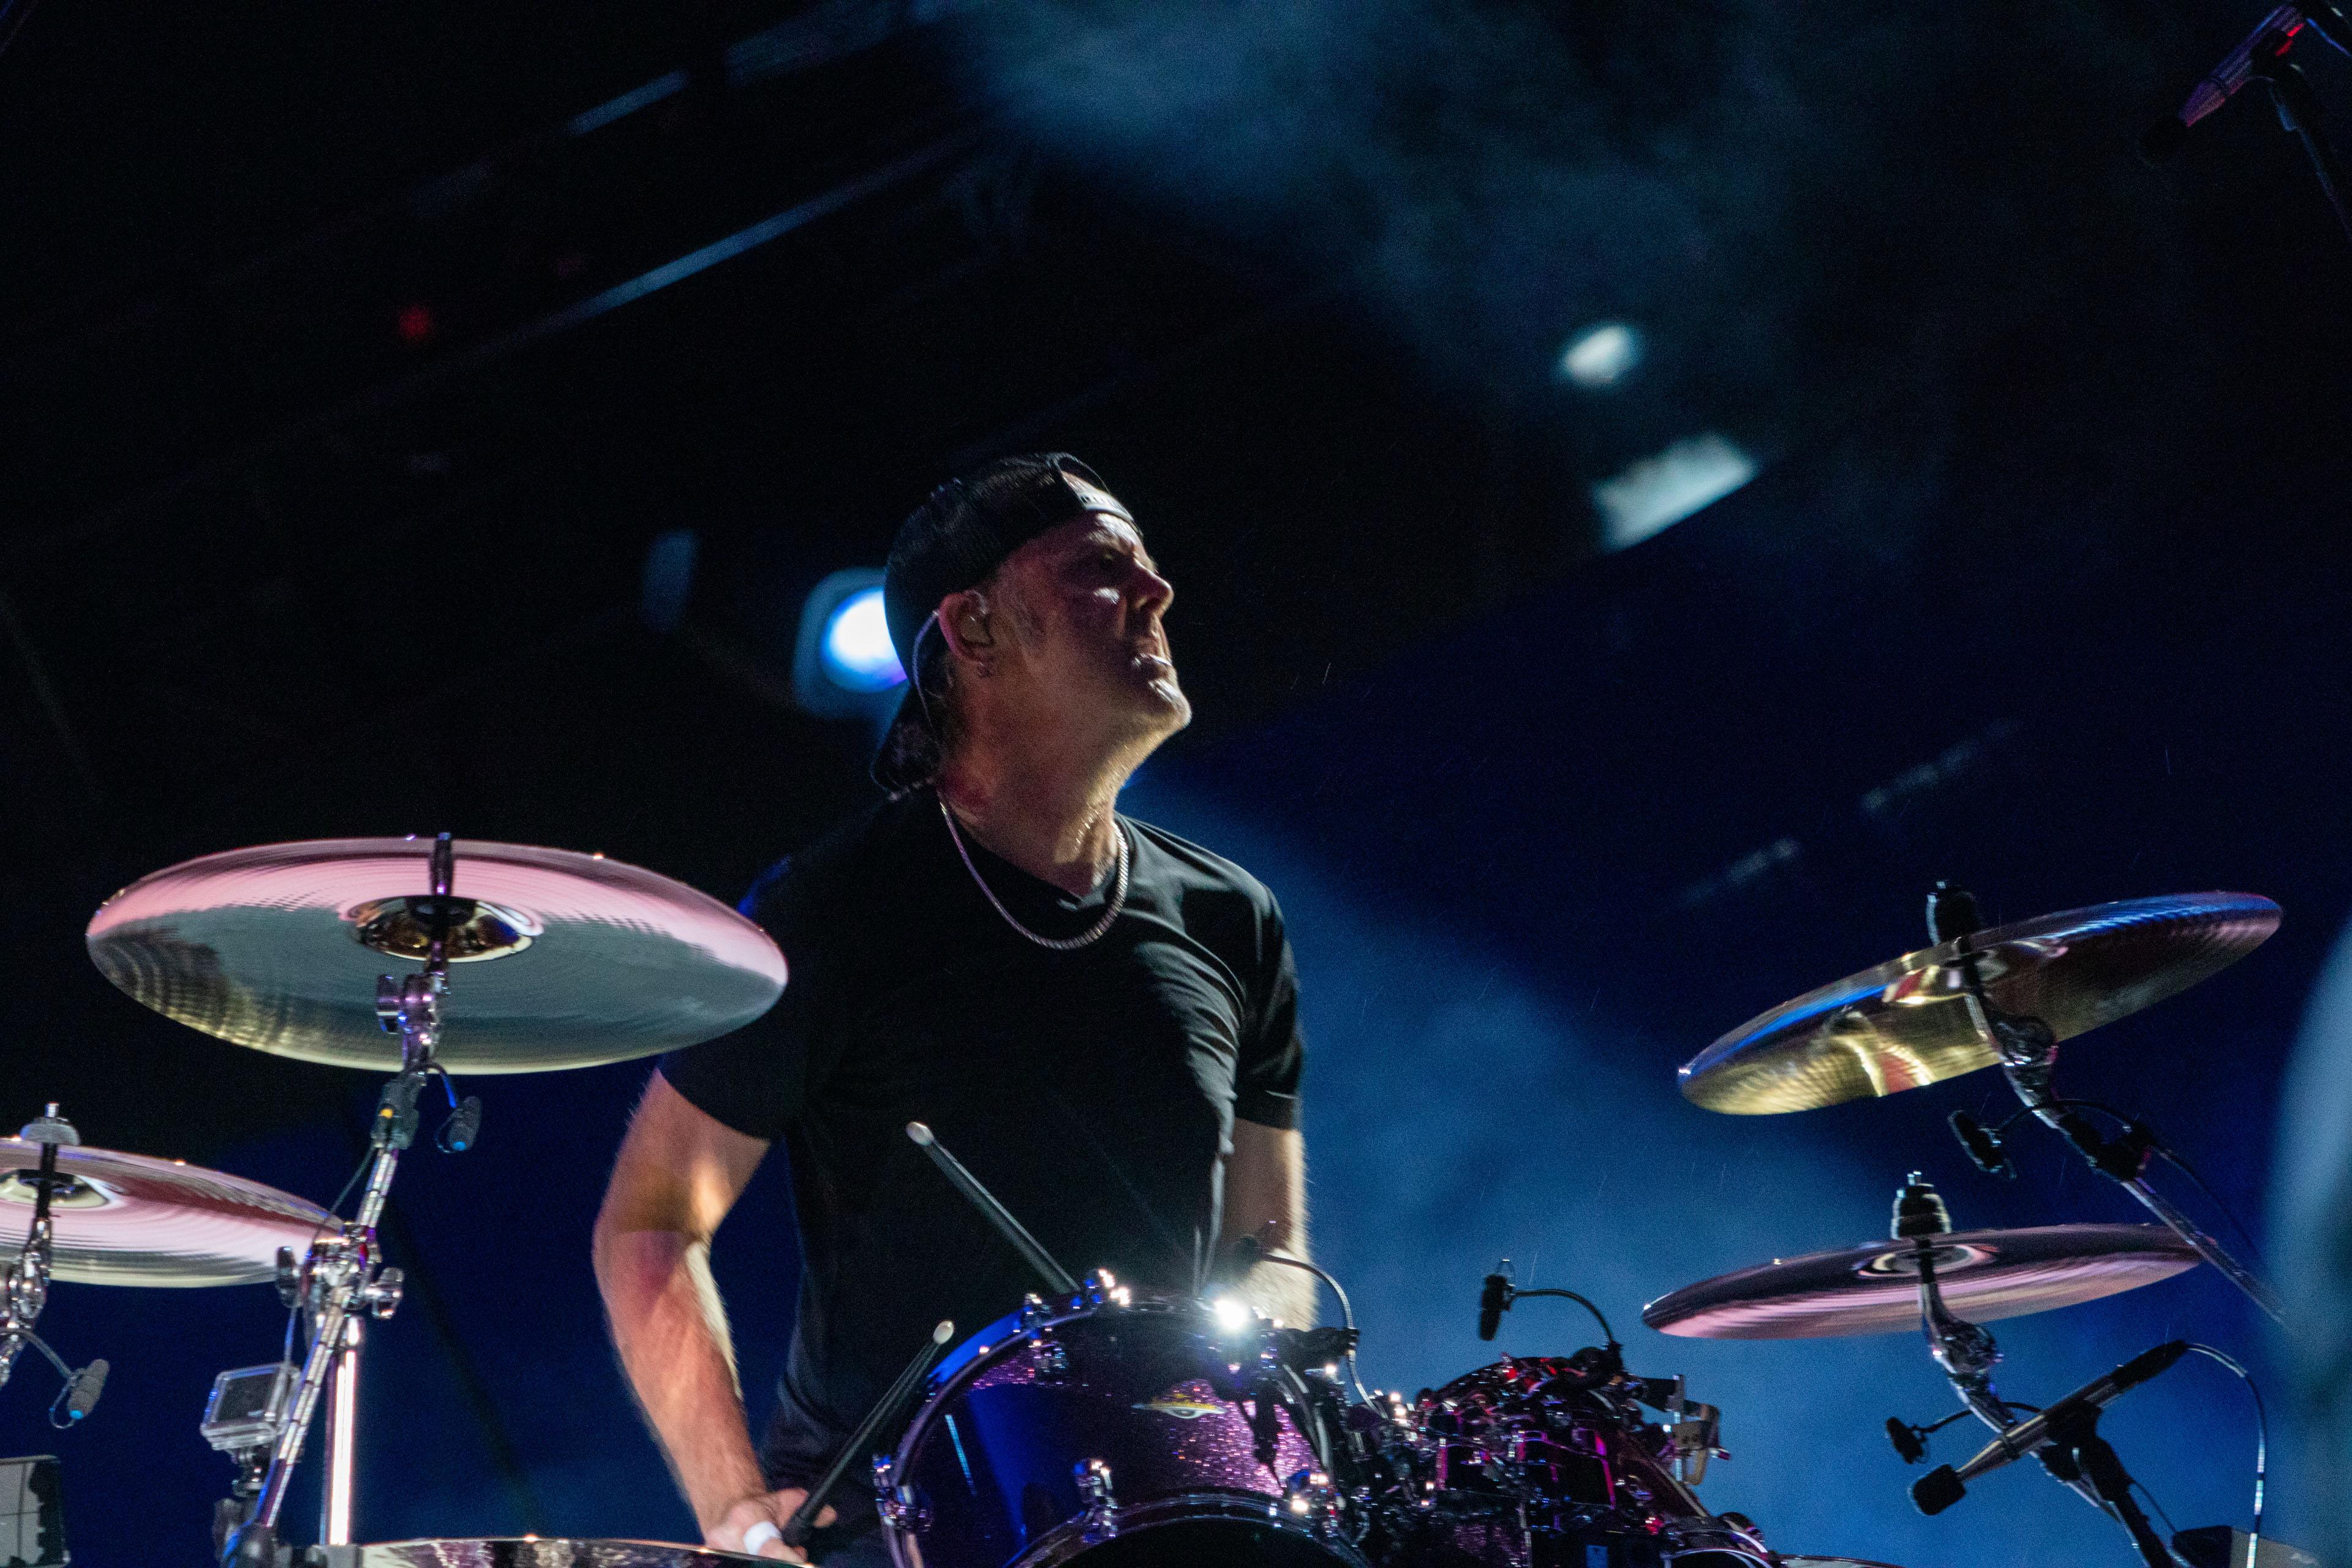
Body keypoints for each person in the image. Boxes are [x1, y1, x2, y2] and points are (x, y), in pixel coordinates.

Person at [592, 453, 1316, 1566]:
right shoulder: (831, 913)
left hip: (1167, 1512)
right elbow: (649, 1224)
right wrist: (736, 1511)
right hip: (896, 1533)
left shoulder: (1233, 917)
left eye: (1147, 567)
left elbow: (1269, 1246)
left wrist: (1252, 1395)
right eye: (1101, 569)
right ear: (973, 630)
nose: (1158, 592)